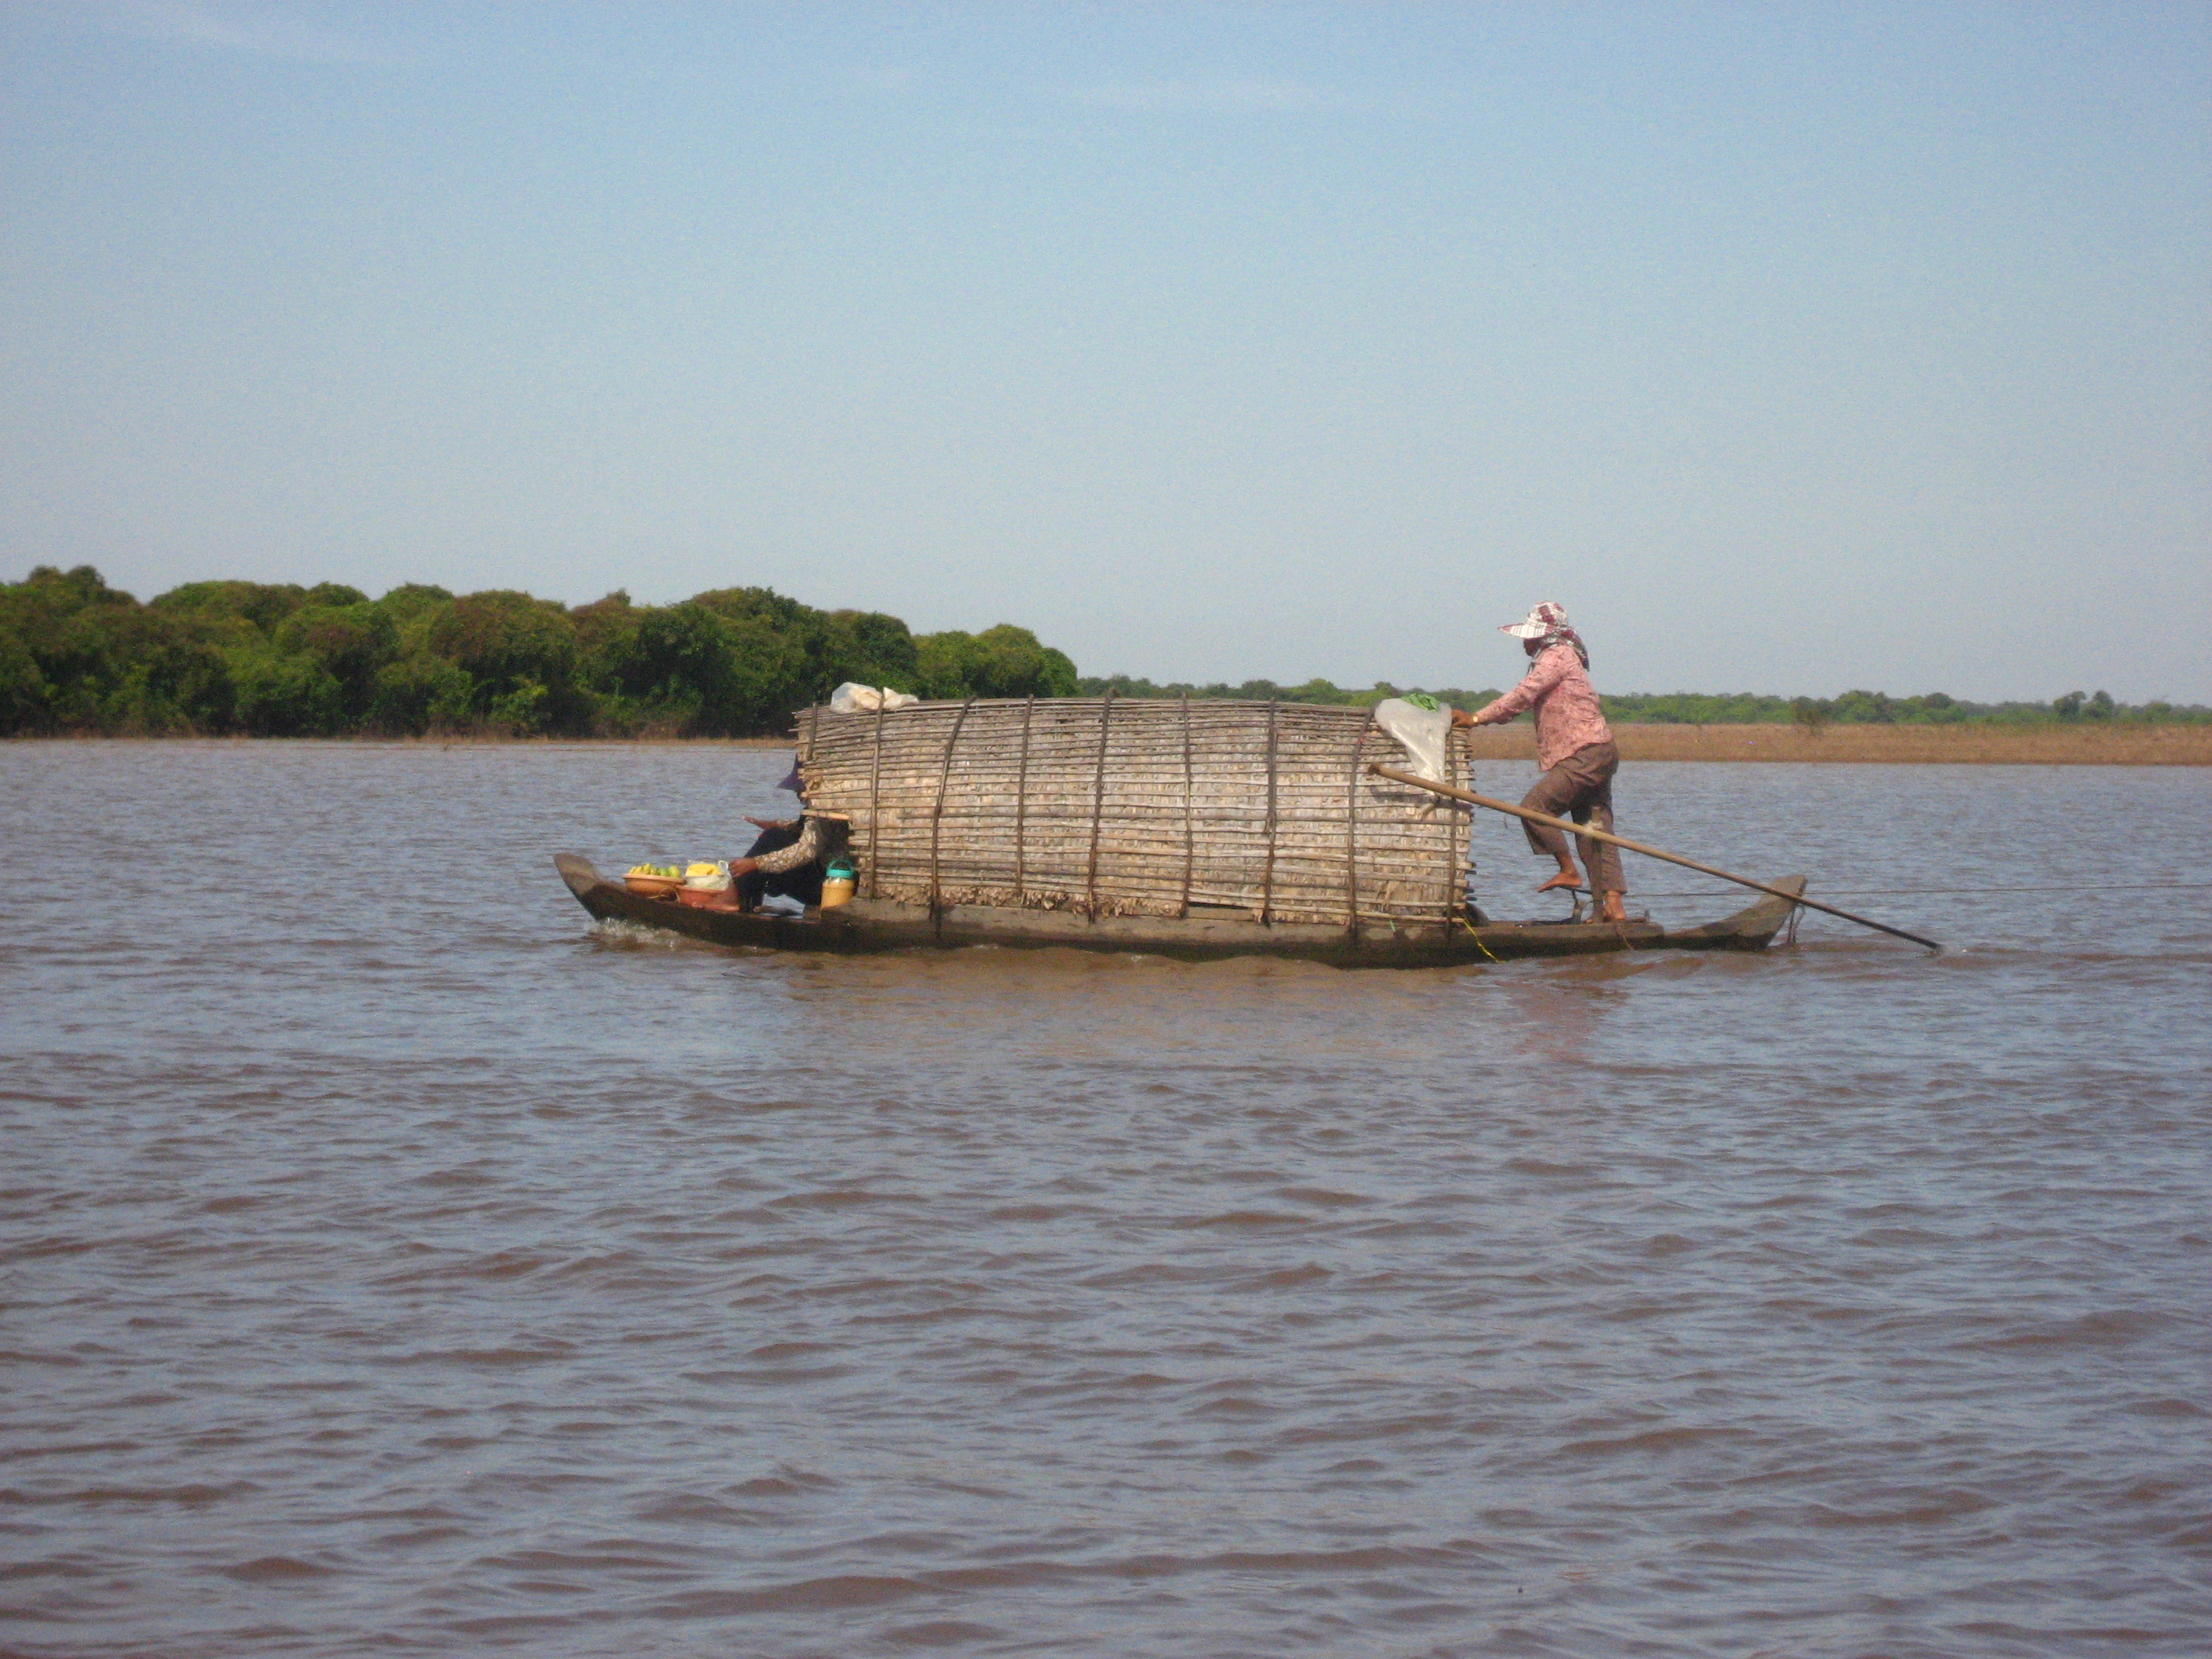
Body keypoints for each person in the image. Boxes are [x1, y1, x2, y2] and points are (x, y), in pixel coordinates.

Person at [1451, 602, 1628, 924]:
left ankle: (1568, 870)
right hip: (1596, 751)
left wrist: (1477, 718)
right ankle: (1611, 907)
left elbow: (1524, 694)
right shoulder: (1558, 655)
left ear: (1545, 636)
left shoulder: (1557, 654)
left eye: (1529, 637)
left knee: (1534, 809)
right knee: (1593, 830)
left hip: (1586, 751)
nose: (1524, 643)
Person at [727, 755, 843, 911]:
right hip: (824, 881)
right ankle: (743, 900)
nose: (797, 794)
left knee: (773, 838)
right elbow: (805, 828)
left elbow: (806, 851)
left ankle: (732, 898)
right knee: (773, 836)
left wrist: (756, 863)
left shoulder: (825, 809)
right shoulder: (825, 806)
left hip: (830, 888)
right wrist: (776, 824)